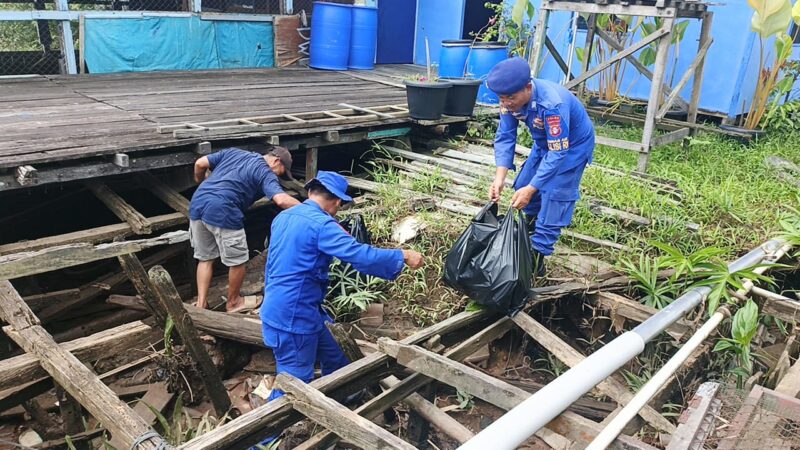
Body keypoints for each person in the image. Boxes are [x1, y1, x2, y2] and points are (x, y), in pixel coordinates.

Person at [260, 171, 424, 404]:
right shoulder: (322, 226)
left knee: (337, 356)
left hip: (299, 307)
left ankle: (341, 401)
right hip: (293, 317)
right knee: (293, 385)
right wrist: (403, 255)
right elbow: (361, 256)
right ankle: (265, 438)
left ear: (310, 192)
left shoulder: (285, 217)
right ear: (337, 201)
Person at [486, 56, 595, 276]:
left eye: (510, 98)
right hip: (544, 144)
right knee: (524, 185)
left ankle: (537, 260)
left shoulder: (552, 104)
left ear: (528, 87)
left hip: (572, 148)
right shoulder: (509, 99)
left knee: (555, 195)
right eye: (501, 98)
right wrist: (499, 179)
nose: (506, 103)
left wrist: (534, 188)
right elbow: (506, 136)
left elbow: (559, 152)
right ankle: (528, 234)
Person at [189, 146, 300, 312]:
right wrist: (311, 209)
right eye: (281, 172)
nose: (279, 176)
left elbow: (200, 163)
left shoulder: (234, 152)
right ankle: (234, 302)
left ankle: (201, 304)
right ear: (276, 161)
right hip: (224, 209)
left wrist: (201, 181)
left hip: (197, 204)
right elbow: (282, 200)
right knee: (238, 261)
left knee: (205, 258)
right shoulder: (265, 172)